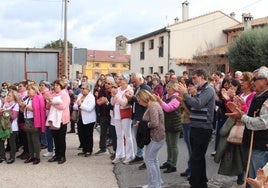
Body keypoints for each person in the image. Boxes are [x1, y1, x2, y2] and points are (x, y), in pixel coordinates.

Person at [226, 66, 268, 187]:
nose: (252, 82)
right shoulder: (257, 95)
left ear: (265, 80)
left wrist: (242, 117)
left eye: (255, 79)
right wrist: (240, 114)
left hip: (260, 147)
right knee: (251, 179)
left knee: (259, 181)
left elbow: (263, 123)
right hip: (250, 143)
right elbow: (250, 116)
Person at [177, 69, 216, 188]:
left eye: (194, 78)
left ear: (202, 77)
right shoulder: (199, 90)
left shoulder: (208, 89)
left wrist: (185, 94)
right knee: (197, 157)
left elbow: (198, 103)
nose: (193, 80)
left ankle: (197, 184)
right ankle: (200, 182)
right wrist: (184, 100)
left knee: (196, 157)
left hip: (203, 128)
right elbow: (193, 108)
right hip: (195, 126)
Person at [136, 89, 165, 188]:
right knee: (154, 159)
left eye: (139, 100)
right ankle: (157, 182)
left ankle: (154, 184)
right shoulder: (153, 105)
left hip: (155, 137)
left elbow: (154, 123)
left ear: (144, 98)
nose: (139, 103)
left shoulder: (153, 106)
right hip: (157, 136)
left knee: (149, 160)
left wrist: (144, 125)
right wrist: (142, 123)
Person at [125, 72, 151, 169]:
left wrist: (132, 98)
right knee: (137, 137)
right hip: (136, 115)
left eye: (134, 81)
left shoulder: (146, 88)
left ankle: (145, 158)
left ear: (140, 79)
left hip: (142, 116)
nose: (133, 83)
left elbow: (144, 101)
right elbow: (136, 101)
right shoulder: (137, 88)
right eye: (132, 81)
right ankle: (139, 155)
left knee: (143, 138)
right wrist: (130, 99)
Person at [155, 80, 181, 173]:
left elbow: (168, 108)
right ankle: (169, 161)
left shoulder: (177, 97)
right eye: (167, 87)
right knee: (169, 144)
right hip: (168, 123)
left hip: (175, 124)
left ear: (174, 88)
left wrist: (160, 101)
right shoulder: (167, 96)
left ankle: (173, 165)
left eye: (169, 87)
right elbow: (161, 106)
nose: (167, 89)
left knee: (173, 145)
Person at [110, 74, 135, 164]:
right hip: (117, 114)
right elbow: (112, 103)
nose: (118, 80)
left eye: (120, 79)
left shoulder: (129, 90)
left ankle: (130, 155)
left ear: (125, 80)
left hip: (125, 114)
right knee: (119, 136)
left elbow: (124, 103)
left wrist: (116, 96)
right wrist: (113, 96)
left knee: (127, 136)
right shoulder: (119, 89)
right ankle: (119, 154)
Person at [45, 79, 70, 164]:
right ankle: (57, 155)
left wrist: (52, 102)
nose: (55, 87)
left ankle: (62, 156)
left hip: (61, 119)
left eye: (57, 85)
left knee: (61, 138)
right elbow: (47, 107)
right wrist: (48, 101)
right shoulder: (53, 94)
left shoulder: (65, 95)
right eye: (54, 85)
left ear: (61, 86)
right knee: (55, 138)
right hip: (53, 118)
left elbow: (62, 106)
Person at [21, 83, 46, 165]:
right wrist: (22, 106)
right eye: (27, 89)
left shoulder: (38, 97)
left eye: (30, 90)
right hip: (27, 120)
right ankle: (31, 156)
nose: (28, 91)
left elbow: (38, 110)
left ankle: (37, 157)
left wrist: (26, 106)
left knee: (35, 140)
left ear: (35, 90)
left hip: (34, 120)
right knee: (29, 140)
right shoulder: (28, 98)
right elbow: (22, 110)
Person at [179, 80, 197, 179]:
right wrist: (182, 102)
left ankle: (192, 171)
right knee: (189, 148)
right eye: (188, 86)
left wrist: (184, 101)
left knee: (192, 149)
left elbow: (191, 110)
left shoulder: (194, 98)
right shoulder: (188, 97)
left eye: (191, 86)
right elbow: (183, 110)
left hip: (191, 123)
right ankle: (190, 168)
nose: (189, 88)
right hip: (185, 122)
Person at [73, 82, 96, 157]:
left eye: (83, 88)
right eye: (81, 88)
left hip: (89, 119)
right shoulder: (80, 95)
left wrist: (80, 105)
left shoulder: (91, 97)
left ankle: (89, 150)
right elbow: (75, 106)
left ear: (88, 89)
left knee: (88, 135)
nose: (82, 90)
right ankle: (84, 149)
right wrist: (78, 105)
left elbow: (89, 108)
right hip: (80, 118)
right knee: (81, 134)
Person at [95, 76, 114, 155]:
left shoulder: (114, 91)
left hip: (112, 115)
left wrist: (106, 101)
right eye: (106, 83)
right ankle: (102, 148)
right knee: (103, 132)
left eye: (109, 83)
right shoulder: (102, 90)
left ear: (112, 84)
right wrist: (100, 101)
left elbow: (111, 102)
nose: (107, 85)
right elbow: (99, 100)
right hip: (103, 114)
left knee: (113, 132)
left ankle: (114, 150)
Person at [0, 90, 20, 164]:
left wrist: (4, 112)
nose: (8, 96)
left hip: (12, 126)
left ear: (14, 97)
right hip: (3, 126)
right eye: (8, 95)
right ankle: (2, 156)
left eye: (10, 95)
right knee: (1, 141)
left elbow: (13, 116)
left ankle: (12, 157)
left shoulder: (16, 105)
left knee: (11, 142)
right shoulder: (5, 104)